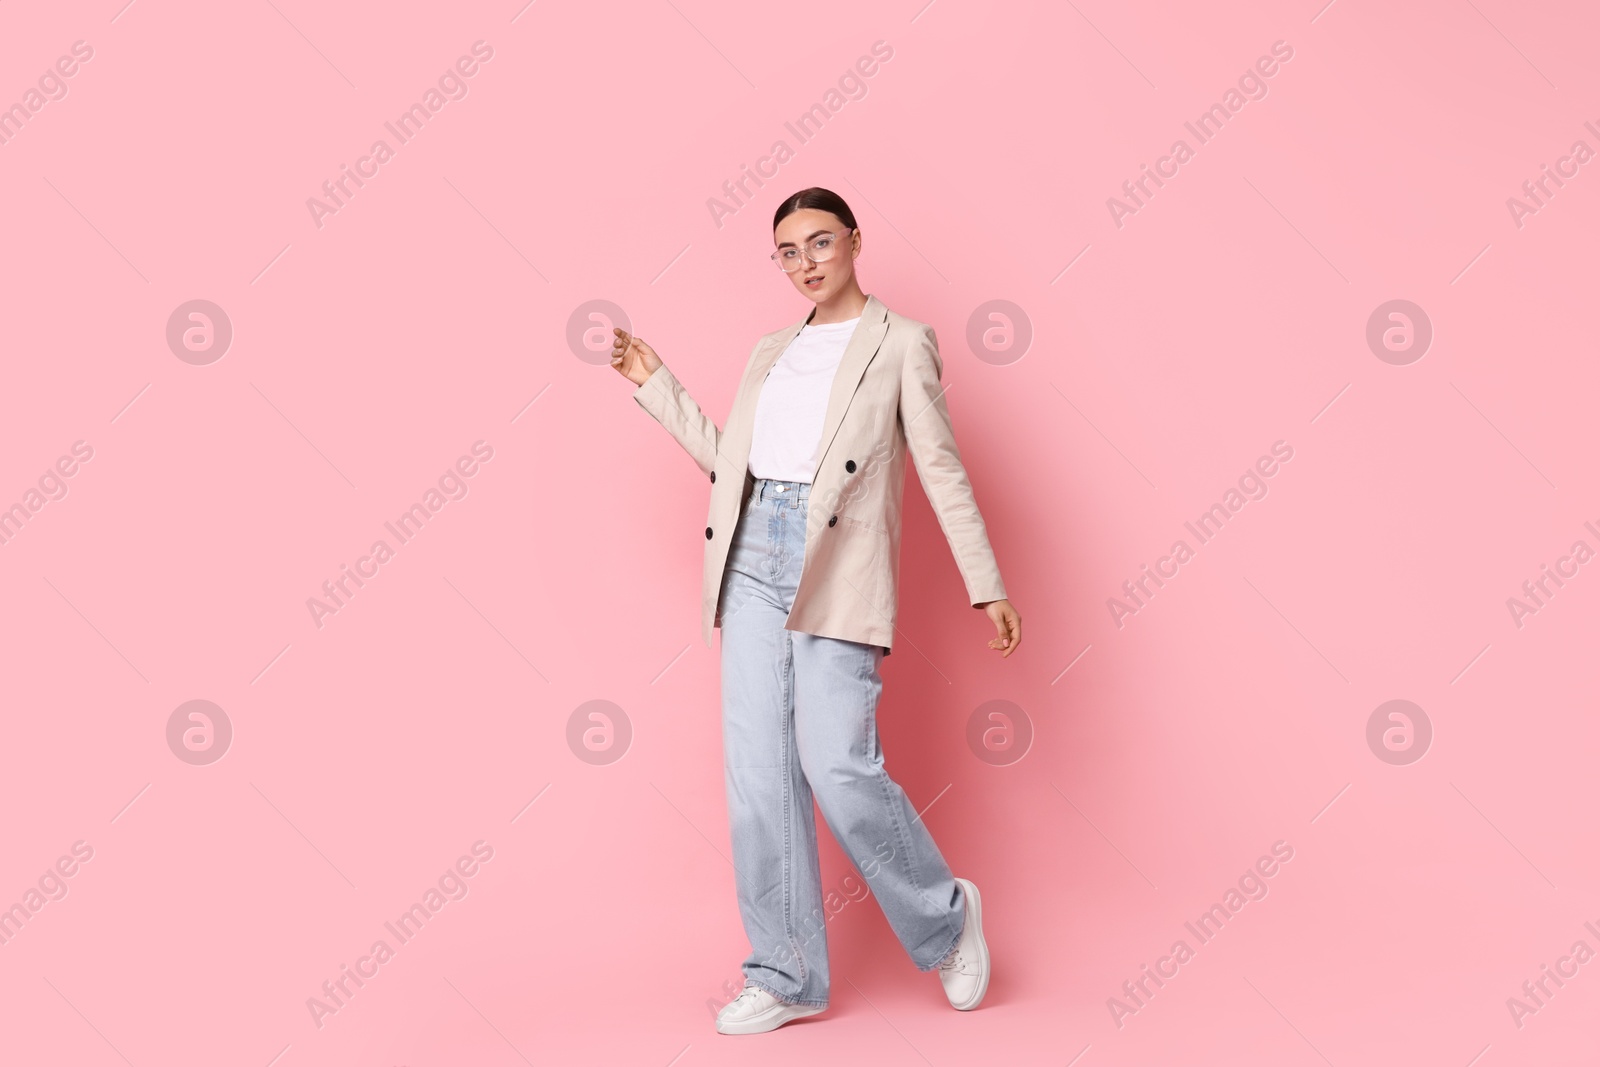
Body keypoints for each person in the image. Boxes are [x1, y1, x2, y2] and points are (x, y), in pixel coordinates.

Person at [612, 186, 1021, 1035]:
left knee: (838, 765)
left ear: (856, 241)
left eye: (820, 243)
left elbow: (940, 467)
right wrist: (658, 388)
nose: (806, 263)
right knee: (760, 780)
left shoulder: (902, 344)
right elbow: (735, 468)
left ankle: (946, 918)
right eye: (788, 252)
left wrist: (986, 582)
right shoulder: (771, 349)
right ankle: (787, 972)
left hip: (838, 564)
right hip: (751, 557)